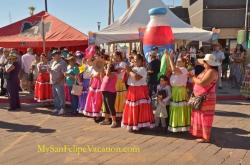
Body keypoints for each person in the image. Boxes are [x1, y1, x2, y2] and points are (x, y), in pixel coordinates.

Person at [189, 54, 219, 143]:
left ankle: (206, 137)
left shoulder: (211, 71)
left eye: (204, 62)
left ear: (208, 63)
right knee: (201, 116)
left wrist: (193, 77)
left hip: (206, 98)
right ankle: (202, 134)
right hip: (202, 97)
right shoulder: (207, 70)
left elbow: (202, 83)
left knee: (205, 117)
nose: (203, 64)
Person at [122, 54, 155, 132]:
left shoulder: (143, 69)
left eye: (136, 59)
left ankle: (139, 125)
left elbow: (136, 78)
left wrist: (129, 71)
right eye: (134, 59)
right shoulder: (132, 68)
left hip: (140, 90)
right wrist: (126, 72)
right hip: (131, 89)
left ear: (141, 61)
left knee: (139, 107)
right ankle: (132, 123)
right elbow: (124, 80)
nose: (135, 61)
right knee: (132, 107)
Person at [167, 54, 191, 133]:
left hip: (180, 91)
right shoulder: (178, 69)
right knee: (175, 108)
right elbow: (172, 69)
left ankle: (180, 126)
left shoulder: (184, 69)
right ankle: (175, 125)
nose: (177, 62)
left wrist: (170, 58)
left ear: (184, 63)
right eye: (177, 61)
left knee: (179, 108)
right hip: (175, 90)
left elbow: (173, 69)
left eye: (180, 61)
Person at [99, 63, 118, 128]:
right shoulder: (106, 75)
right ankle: (106, 120)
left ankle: (114, 121)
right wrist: (101, 72)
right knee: (106, 106)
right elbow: (102, 80)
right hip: (105, 92)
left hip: (110, 92)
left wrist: (108, 66)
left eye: (106, 68)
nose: (104, 69)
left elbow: (108, 73)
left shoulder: (114, 74)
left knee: (111, 107)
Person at [49, 50, 67, 115]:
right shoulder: (53, 62)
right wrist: (50, 70)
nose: (53, 56)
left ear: (59, 55)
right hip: (53, 82)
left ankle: (62, 108)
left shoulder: (63, 63)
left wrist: (58, 80)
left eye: (54, 55)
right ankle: (57, 107)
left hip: (59, 82)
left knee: (61, 96)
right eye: (53, 55)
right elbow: (53, 71)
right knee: (55, 96)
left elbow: (64, 73)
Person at [114, 51, 127, 117]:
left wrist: (112, 69)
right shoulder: (116, 63)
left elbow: (119, 71)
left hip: (120, 81)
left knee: (121, 97)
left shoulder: (122, 63)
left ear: (118, 56)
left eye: (115, 56)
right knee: (117, 97)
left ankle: (121, 112)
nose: (114, 57)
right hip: (116, 81)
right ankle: (117, 112)